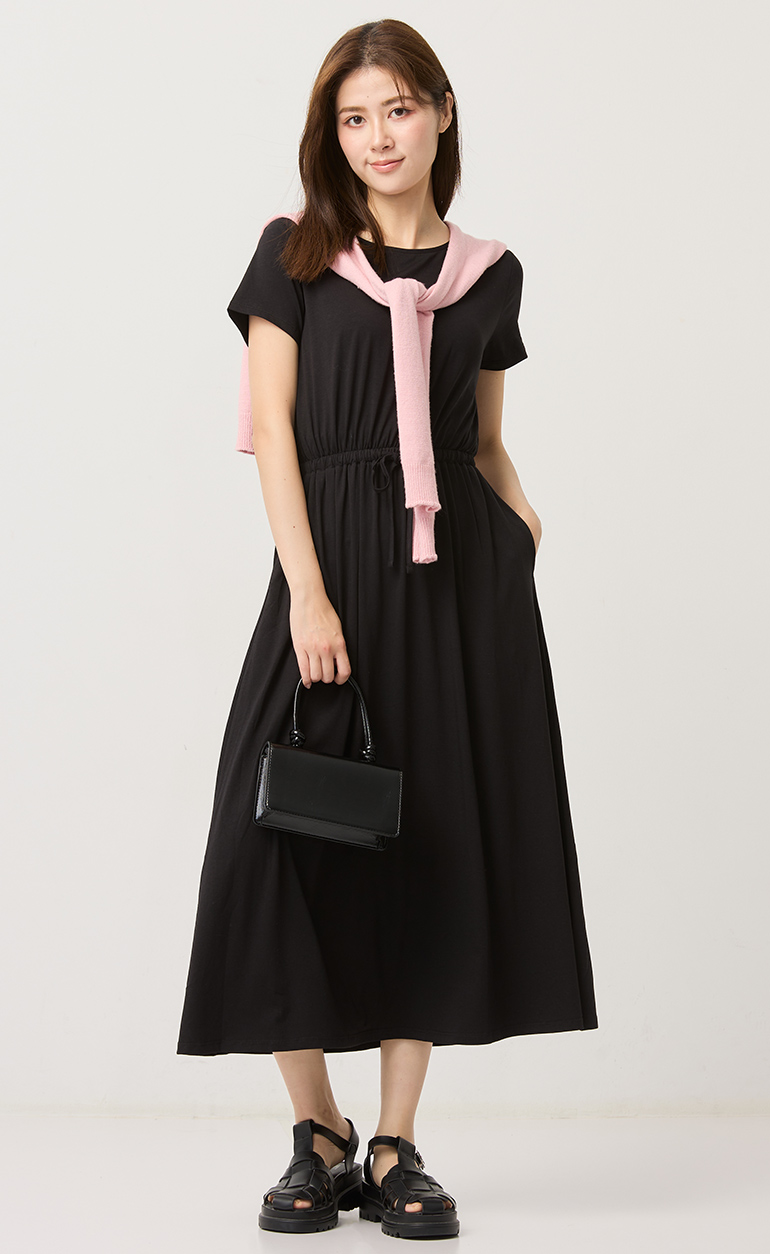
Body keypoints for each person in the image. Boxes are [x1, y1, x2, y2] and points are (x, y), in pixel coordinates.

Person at [176, 17, 597, 1239]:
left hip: (458, 585)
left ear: (441, 112)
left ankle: (398, 1142)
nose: (377, 136)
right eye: (354, 117)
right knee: (272, 840)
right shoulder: (296, 255)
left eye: (398, 109)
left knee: (432, 844)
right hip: (331, 571)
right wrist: (307, 591)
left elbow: (483, 437)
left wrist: (519, 521)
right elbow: (272, 432)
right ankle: (318, 1131)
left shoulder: (489, 274)